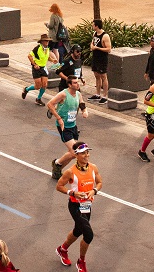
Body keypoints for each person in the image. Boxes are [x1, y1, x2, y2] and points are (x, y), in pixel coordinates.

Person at [55, 141, 101, 272]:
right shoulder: (70, 172)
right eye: (83, 153)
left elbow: (100, 182)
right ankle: (81, 262)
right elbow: (59, 186)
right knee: (88, 235)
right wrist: (72, 192)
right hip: (75, 205)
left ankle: (62, 249)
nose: (87, 155)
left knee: (78, 230)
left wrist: (94, 191)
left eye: (87, 152)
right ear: (76, 155)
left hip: (87, 205)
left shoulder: (93, 168)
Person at [47, 75, 87, 179]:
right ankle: (57, 163)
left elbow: (81, 103)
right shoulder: (63, 94)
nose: (77, 84)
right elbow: (50, 104)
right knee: (75, 153)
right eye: (75, 83)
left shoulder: (78, 94)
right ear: (69, 84)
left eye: (77, 82)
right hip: (64, 127)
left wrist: (84, 111)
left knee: (72, 153)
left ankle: (57, 170)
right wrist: (59, 119)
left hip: (73, 125)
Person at [22, 33, 57, 106]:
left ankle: (38, 99)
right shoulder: (37, 48)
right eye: (45, 41)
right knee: (38, 86)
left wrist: (53, 60)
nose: (47, 42)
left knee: (44, 84)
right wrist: (34, 65)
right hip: (36, 68)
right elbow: (29, 56)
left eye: (48, 41)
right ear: (42, 42)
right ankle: (26, 89)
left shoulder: (47, 49)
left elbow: (47, 57)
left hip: (43, 68)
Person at [88, 19, 111, 105]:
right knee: (96, 75)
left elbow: (109, 49)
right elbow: (92, 42)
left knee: (103, 76)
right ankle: (97, 94)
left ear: (97, 26)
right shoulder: (95, 34)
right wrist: (92, 46)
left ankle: (104, 95)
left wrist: (97, 48)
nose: (92, 26)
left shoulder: (105, 36)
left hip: (102, 58)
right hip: (95, 57)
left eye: (93, 25)